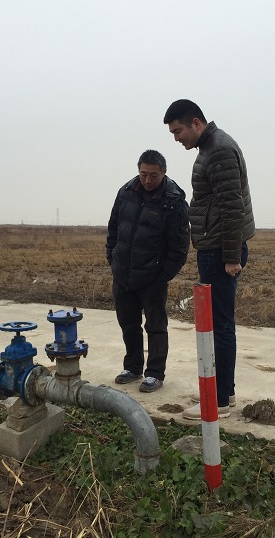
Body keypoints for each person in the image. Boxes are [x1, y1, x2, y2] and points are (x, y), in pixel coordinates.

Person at [163, 99, 255, 419]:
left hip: (219, 251)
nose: (177, 139)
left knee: (219, 326)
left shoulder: (218, 150)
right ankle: (222, 392)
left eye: (178, 131)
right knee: (217, 324)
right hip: (214, 248)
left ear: (196, 123)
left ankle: (219, 401)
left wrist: (231, 257)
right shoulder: (210, 147)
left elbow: (232, 207)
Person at [106, 149, 190, 393]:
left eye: (153, 175)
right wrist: (113, 258)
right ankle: (132, 367)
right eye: (143, 174)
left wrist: (163, 276)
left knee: (155, 327)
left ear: (164, 172)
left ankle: (155, 373)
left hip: (152, 278)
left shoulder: (173, 201)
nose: (147, 180)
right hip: (123, 273)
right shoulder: (126, 192)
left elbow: (180, 246)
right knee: (128, 323)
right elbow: (113, 227)